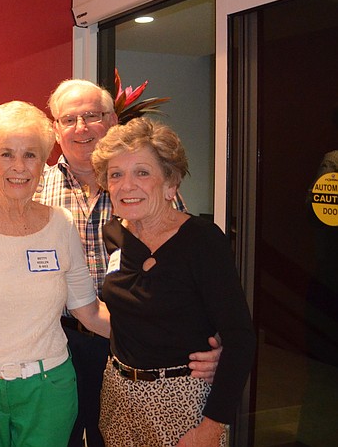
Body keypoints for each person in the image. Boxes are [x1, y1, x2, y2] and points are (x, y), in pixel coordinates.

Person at [38, 79, 220, 447]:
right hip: (60, 341)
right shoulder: (36, 187)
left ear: (112, 120)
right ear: (56, 129)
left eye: (92, 115)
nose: (81, 127)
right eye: (69, 119)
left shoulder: (150, 190)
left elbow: (190, 275)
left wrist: (215, 345)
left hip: (138, 348)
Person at [0, 101, 111, 447]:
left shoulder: (60, 225)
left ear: (44, 162)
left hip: (50, 389)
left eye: (30, 155)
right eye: (6, 154)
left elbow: (88, 311)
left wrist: (165, 336)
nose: (19, 167)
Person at [91, 118, 255, 447]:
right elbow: (130, 314)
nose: (126, 185)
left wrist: (213, 426)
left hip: (183, 400)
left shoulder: (201, 240)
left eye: (142, 172)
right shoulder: (113, 234)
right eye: (116, 174)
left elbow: (240, 337)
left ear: (170, 183)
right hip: (118, 397)